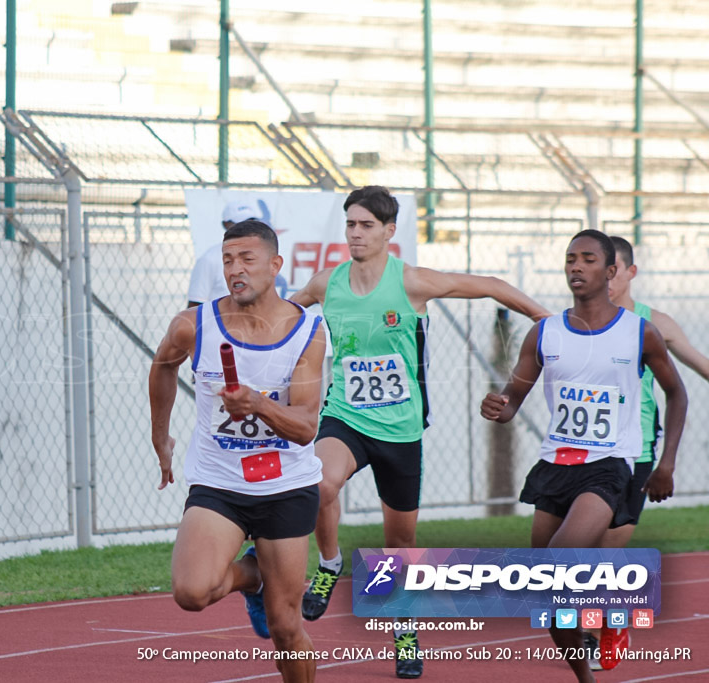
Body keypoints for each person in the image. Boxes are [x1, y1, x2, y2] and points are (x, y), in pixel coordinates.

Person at [289, 185, 550, 679]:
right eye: (350, 224)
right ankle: (328, 565)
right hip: (345, 415)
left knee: (400, 542)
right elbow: (285, 313)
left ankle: (403, 628)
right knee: (320, 482)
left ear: (389, 232)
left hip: (401, 429)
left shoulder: (412, 283)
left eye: (367, 225)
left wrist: (543, 317)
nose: (356, 233)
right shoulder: (327, 283)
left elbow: (491, 284)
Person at [480, 229, 687, 683]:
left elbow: (677, 393)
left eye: (588, 259)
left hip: (610, 466)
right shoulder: (545, 332)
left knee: (556, 569)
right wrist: (499, 406)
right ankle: (585, 677)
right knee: (548, 596)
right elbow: (515, 394)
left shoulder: (639, 332)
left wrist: (666, 462)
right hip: (555, 466)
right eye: (570, 258)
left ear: (611, 272)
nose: (576, 266)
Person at [150, 219, 327, 683]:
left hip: (286, 485)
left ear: (275, 265)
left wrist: (257, 404)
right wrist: (160, 435)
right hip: (219, 481)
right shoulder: (194, 326)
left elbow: (307, 426)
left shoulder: (307, 330)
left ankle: (265, 587)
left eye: (247, 259)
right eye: (228, 260)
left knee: (286, 627)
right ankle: (253, 576)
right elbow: (162, 367)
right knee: (191, 592)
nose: (236, 270)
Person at [581, 235, 709, 670]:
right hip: (577, 451)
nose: (606, 279)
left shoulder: (655, 324)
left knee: (605, 550)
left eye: (613, 271)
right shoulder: (575, 320)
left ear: (628, 273)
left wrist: (665, 463)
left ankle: (610, 625)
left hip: (632, 451)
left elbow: (697, 367)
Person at [188, 200, 287, 307]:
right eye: (228, 262)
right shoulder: (209, 259)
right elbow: (195, 304)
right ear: (226, 224)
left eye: (251, 221)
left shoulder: (263, 253)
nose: (245, 227)